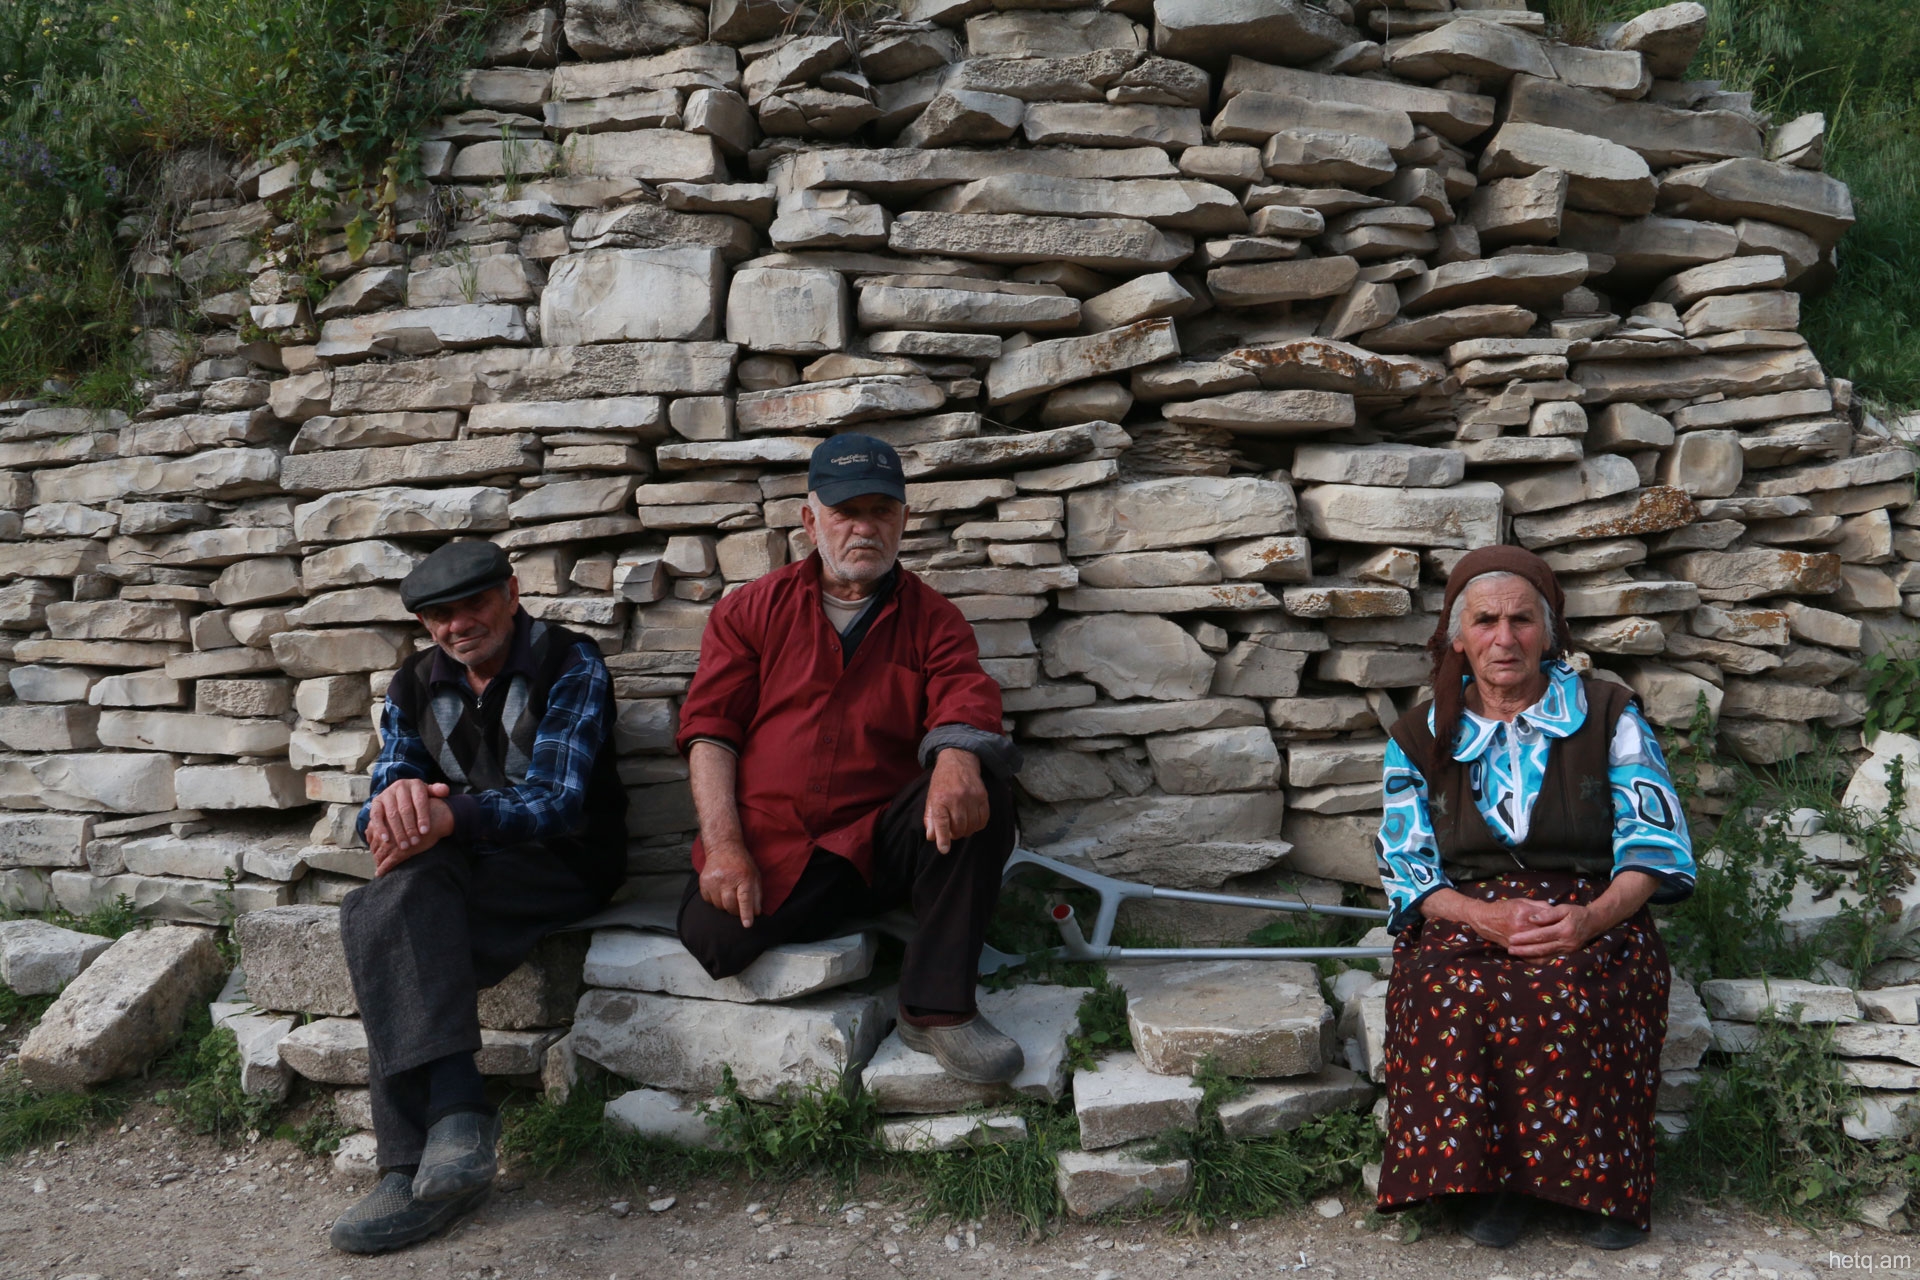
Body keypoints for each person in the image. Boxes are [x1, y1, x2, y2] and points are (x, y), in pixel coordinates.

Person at [673, 433, 1025, 1083]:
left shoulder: (935, 619)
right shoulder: (750, 611)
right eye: (845, 512)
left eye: (880, 511)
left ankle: (937, 1008)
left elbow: (963, 696)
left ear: (903, 520)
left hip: (874, 844)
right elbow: (710, 732)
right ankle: (866, 918)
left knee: (982, 792)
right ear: (811, 521)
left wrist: (956, 757)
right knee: (717, 940)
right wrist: (723, 846)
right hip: (776, 841)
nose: (863, 527)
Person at [1372, 545, 1695, 1251]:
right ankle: (1490, 1187)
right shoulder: (1421, 734)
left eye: (1522, 620)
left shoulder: (1608, 714)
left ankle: (1601, 1185)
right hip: (1469, 915)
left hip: (1592, 909)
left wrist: (1590, 920)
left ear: (1549, 634)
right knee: (1447, 991)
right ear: (1458, 637)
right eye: (1485, 620)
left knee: (1576, 985)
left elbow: (1655, 846)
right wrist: (1480, 915)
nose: (1504, 637)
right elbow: (1407, 866)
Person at [329, 541, 626, 1255]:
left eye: (475, 604)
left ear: (512, 593)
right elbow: (386, 806)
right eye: (439, 615)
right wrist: (397, 805)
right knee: (388, 904)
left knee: (386, 920)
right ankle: (448, 1139)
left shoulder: (568, 660)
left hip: (560, 863)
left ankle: (414, 1155)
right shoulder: (413, 686)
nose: (459, 624)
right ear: (426, 625)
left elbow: (555, 802)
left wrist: (449, 814)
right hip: (461, 867)